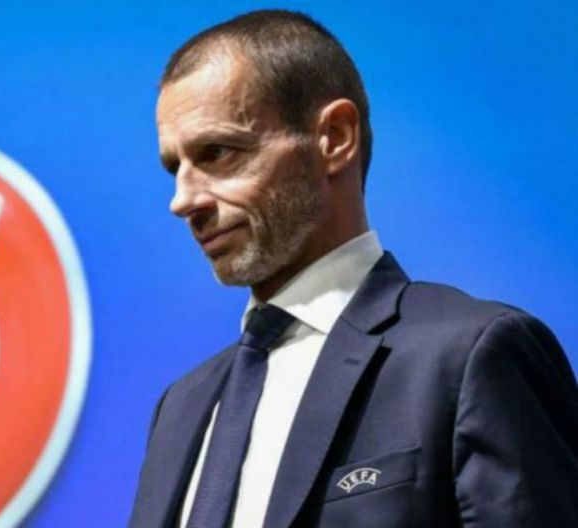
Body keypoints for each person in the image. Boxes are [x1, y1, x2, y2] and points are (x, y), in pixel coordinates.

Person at [129, 9, 578, 528]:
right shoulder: (180, 409)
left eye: (218, 152)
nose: (183, 200)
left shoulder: (470, 355)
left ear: (335, 137)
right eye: (175, 167)